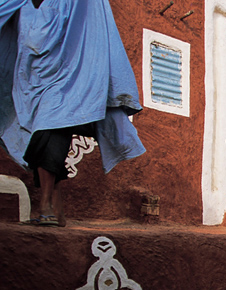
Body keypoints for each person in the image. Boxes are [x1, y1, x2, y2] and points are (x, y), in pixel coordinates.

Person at [0, 0, 145, 226]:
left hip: (66, 78)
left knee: (49, 132)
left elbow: (94, 20)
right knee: (41, 140)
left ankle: (46, 207)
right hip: (33, 80)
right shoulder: (20, 4)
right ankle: (56, 208)